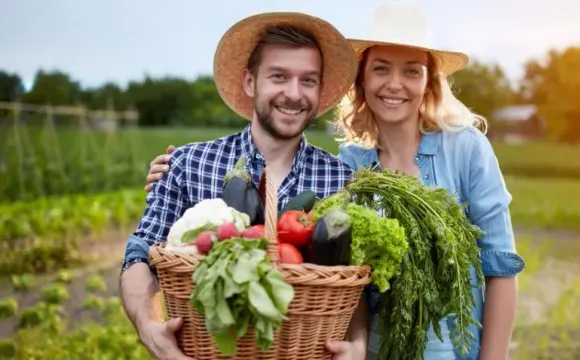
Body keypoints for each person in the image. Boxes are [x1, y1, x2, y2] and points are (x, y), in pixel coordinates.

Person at [144, 3, 526, 360]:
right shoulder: (348, 169)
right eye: (381, 68)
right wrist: (171, 173)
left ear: (428, 83)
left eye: (412, 70)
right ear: (362, 78)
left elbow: (500, 266)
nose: (395, 84)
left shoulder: (465, 149)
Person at [119, 11, 369, 360]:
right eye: (279, 76)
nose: (294, 94)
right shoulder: (188, 165)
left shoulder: (341, 180)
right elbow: (138, 254)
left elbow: (355, 280)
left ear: (320, 88)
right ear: (250, 82)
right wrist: (148, 329)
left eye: (308, 80)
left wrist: (358, 343)